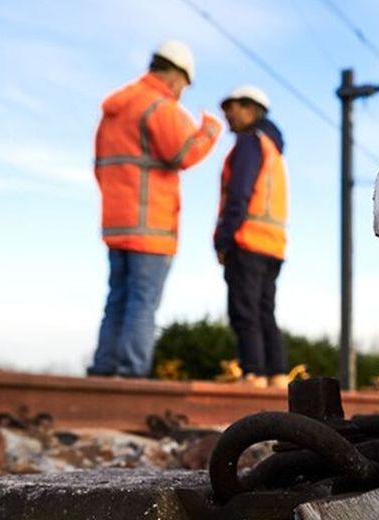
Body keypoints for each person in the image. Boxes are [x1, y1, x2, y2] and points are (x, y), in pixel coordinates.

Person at [89, 40, 223, 377]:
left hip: (117, 223)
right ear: (176, 76)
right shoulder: (158, 106)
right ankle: (132, 374)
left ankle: (104, 370)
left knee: (117, 300)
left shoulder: (117, 109)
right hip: (152, 226)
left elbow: (101, 167)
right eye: (184, 85)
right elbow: (182, 154)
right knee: (143, 302)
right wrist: (209, 131)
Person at [215, 85, 289, 388]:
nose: (227, 115)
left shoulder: (249, 143)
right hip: (273, 245)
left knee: (244, 311)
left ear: (250, 109)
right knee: (264, 312)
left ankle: (253, 375)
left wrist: (223, 239)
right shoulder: (272, 148)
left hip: (248, 241)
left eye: (231, 108)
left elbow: (239, 194)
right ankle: (277, 376)